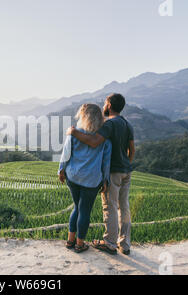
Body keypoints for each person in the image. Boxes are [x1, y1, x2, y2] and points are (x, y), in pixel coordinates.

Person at [66, 93, 135, 255]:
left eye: (105, 102)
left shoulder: (108, 124)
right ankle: (125, 244)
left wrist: (73, 132)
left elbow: (94, 141)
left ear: (109, 105)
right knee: (124, 207)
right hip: (126, 171)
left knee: (109, 207)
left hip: (113, 172)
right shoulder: (127, 124)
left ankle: (110, 243)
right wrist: (127, 164)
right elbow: (132, 150)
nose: (104, 105)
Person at [58, 104, 112, 253]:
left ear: (83, 116)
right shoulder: (104, 139)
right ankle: (80, 244)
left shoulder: (74, 133)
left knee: (77, 207)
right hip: (92, 179)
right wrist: (106, 180)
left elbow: (66, 153)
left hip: (73, 176)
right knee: (84, 210)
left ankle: (70, 241)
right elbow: (106, 162)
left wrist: (61, 170)